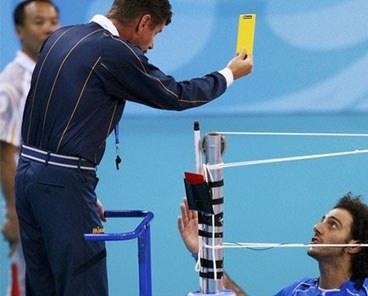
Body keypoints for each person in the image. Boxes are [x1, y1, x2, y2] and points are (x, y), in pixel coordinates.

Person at [15, 0, 253, 294]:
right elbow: (175, 95)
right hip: (63, 184)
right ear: (143, 22)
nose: (152, 45)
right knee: (83, 287)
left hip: (28, 176)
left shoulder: (60, 37)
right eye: (156, 32)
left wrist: (79, 190)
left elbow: (57, 117)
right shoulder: (112, 51)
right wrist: (229, 74)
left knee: (42, 287)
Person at [178, 193, 368, 296]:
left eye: (333, 225)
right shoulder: (298, 290)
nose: (317, 227)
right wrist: (202, 252)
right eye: (322, 219)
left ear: (354, 246)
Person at [0, 1, 60, 295]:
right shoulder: (11, 83)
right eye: (39, 22)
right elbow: (3, 153)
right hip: (28, 213)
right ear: (19, 30)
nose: (49, 28)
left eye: (53, 20)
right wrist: (14, 214)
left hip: (55, 206)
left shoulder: (54, 73)